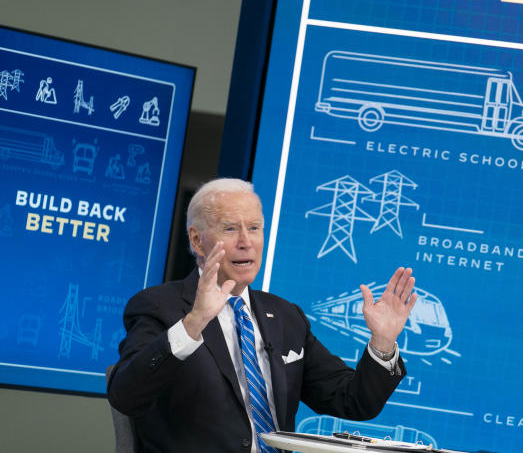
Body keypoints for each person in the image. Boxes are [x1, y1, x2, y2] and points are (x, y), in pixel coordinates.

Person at [107, 178, 417, 452]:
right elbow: (126, 396)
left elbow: (353, 400)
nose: (246, 242)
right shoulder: (159, 307)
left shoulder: (285, 316)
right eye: (230, 228)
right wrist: (194, 323)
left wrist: (382, 343)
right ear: (197, 239)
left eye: (254, 228)